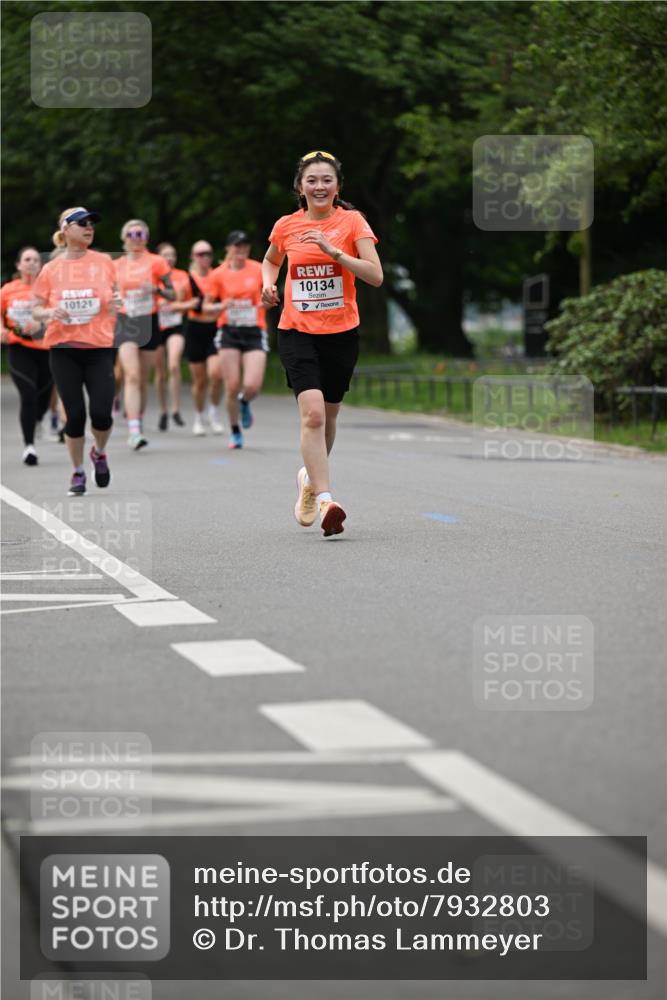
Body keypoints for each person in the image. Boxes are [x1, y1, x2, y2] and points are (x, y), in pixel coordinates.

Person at [261, 150, 382, 536]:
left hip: (341, 333)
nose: (319, 186)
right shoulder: (286, 225)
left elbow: (375, 275)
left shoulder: (352, 222)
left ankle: (310, 481)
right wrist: (267, 284)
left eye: (326, 180)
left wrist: (334, 252)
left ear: (337, 187)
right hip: (297, 331)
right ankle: (328, 499)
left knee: (328, 417)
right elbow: (271, 260)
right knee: (312, 415)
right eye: (311, 180)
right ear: (300, 187)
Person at [32, 207, 121, 495]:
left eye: (91, 223)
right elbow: (35, 308)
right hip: (64, 349)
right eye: (82, 223)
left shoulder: (104, 262)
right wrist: (49, 312)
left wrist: (116, 303)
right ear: (65, 229)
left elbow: (114, 295)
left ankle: (99, 453)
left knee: (102, 414)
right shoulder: (51, 269)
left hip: (99, 348)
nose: (89, 227)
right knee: (75, 416)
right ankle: (78, 471)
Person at [113, 219, 175, 450]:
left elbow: (173, 294)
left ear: (146, 238)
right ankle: (134, 431)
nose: (136, 238)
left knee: (142, 378)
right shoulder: (116, 265)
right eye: (132, 234)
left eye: (140, 234)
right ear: (124, 238)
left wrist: (157, 289)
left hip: (149, 321)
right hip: (126, 321)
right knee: (131, 375)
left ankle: (137, 419)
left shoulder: (157, 262)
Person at [206, 231, 269, 449]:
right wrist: (221, 306)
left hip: (254, 330)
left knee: (252, 385)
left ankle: (245, 401)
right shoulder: (218, 274)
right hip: (229, 332)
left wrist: (265, 303)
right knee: (232, 385)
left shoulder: (259, 269)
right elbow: (206, 307)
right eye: (237, 245)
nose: (242, 249)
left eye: (245, 245)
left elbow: (270, 297)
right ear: (228, 249)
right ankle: (235, 431)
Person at [1, 246, 52, 465]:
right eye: (27, 259)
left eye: (35, 260)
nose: (31, 263)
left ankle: (38, 418)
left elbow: (57, 313)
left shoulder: (48, 290)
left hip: (46, 349)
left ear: (40, 265)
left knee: (44, 396)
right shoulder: (8, 290)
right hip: (19, 348)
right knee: (28, 394)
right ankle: (29, 447)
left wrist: (42, 323)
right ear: (19, 265)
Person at [184, 240, 224, 436]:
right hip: (195, 329)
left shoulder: (218, 276)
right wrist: (189, 304)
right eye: (200, 254)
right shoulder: (186, 279)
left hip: (215, 328)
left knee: (216, 375)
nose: (205, 257)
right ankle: (199, 417)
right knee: (199, 381)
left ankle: (214, 413)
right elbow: (173, 304)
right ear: (193, 257)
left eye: (208, 253)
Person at [154, 242, 189, 429]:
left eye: (172, 254)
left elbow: (191, 301)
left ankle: (175, 409)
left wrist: (176, 305)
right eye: (165, 255)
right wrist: (158, 303)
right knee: (160, 373)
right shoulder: (152, 275)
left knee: (173, 365)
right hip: (157, 326)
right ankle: (163, 410)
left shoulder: (182, 275)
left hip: (175, 325)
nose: (169, 258)